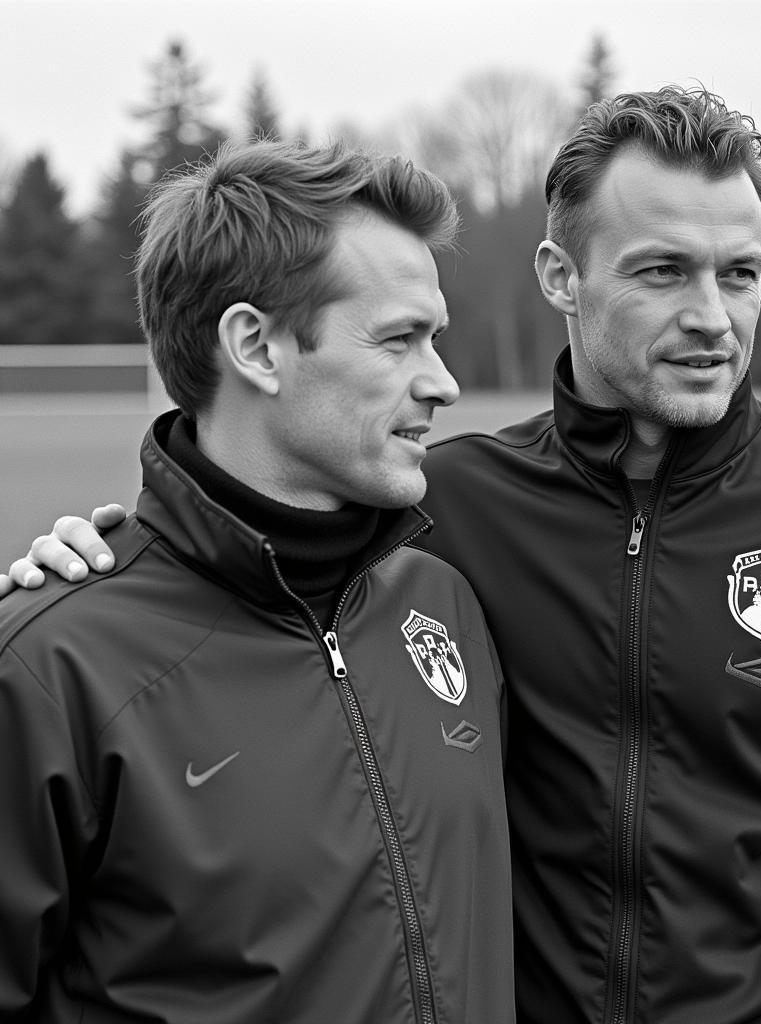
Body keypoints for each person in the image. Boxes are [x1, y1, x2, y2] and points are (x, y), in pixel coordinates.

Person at [6, 85, 761, 1024]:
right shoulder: (433, 510)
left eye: (741, 272)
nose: (712, 317)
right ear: (559, 276)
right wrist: (106, 560)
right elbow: (245, 555)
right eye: (663, 269)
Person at [0, 140, 515, 1023]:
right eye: (401, 340)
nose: (446, 382)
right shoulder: (51, 668)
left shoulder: (442, 604)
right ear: (257, 348)